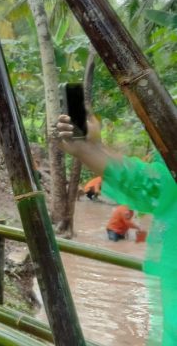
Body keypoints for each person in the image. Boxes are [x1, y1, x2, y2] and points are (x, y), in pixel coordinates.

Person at [55, 114, 176, 345]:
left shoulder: (127, 211)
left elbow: (153, 190)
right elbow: (155, 187)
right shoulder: (121, 211)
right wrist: (92, 149)